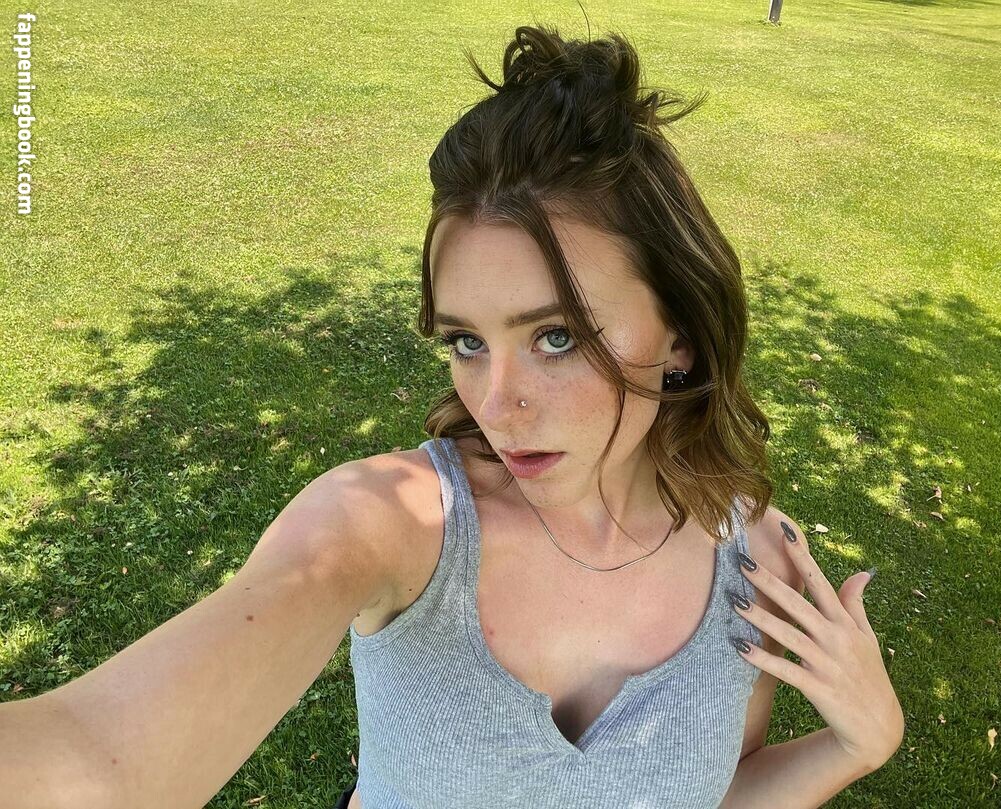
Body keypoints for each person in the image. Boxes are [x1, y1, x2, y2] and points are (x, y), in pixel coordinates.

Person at [0, 22, 904, 809]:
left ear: (681, 338)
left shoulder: (762, 561)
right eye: (467, 340)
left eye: (556, 335)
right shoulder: (387, 526)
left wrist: (860, 744)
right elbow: (97, 756)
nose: (495, 404)